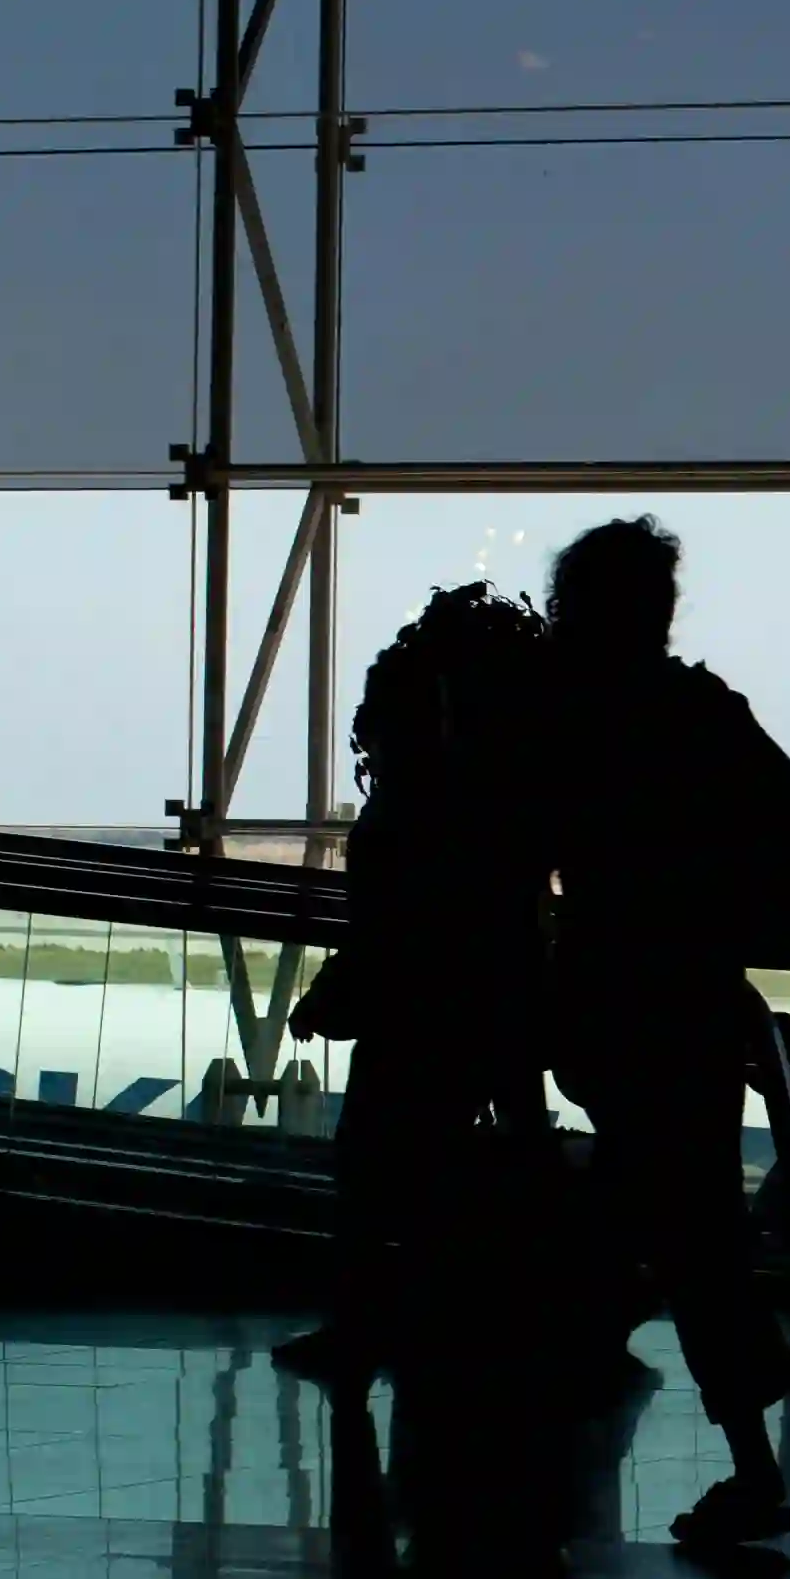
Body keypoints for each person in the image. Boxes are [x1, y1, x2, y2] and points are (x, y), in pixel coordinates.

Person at [541, 515, 790, 1561]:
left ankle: (739, 1437)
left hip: (615, 993)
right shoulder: (703, 713)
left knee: (663, 1221)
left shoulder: (570, 717)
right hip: (694, 995)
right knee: (673, 1212)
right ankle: (743, 1434)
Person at [280, 583, 552, 1389]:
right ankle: (487, 1319)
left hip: (421, 1014)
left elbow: (392, 920)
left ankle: (368, 1327)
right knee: (484, 1156)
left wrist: (337, 993)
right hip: (489, 1002)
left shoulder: (416, 804)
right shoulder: (494, 799)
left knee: (372, 1166)